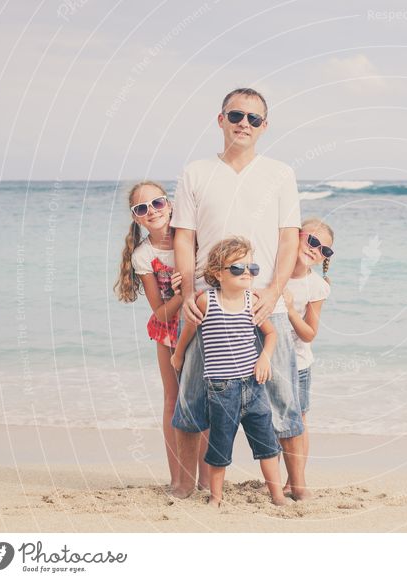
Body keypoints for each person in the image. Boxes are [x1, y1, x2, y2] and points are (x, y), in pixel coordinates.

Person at [170, 87, 308, 500]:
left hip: (264, 303)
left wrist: (274, 290)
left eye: (253, 119)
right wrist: (192, 291)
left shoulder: (280, 174)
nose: (243, 124)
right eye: (236, 116)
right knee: (194, 398)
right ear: (221, 120)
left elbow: (289, 239)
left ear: (264, 126)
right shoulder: (195, 172)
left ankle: (297, 487)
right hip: (207, 305)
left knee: (284, 401)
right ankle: (185, 487)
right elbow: (183, 237)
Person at [171, 237, 286, 507]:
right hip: (220, 389)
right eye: (237, 268)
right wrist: (177, 355)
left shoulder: (253, 301)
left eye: (251, 268)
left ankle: (278, 495)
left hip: (254, 384)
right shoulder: (205, 301)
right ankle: (216, 498)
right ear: (217, 273)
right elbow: (189, 331)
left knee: (267, 443)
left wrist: (264, 359)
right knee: (220, 445)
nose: (247, 273)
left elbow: (270, 334)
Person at [114, 181, 203, 490]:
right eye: (142, 208)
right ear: (136, 218)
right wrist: (180, 294)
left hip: (201, 325)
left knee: (203, 400)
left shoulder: (192, 239)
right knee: (173, 400)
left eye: (157, 203)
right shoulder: (143, 255)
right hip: (168, 332)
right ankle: (178, 477)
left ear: (170, 205)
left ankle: (205, 480)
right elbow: (161, 313)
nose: (151, 211)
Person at [281, 218, 334, 493]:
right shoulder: (272, 272)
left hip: (298, 364)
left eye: (324, 250)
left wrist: (290, 310)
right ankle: (276, 479)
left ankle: (295, 480)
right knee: (271, 422)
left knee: (299, 420)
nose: (315, 249)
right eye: (312, 241)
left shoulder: (316, 286)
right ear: (297, 236)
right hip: (267, 359)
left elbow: (309, 334)